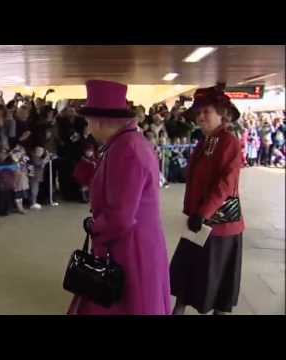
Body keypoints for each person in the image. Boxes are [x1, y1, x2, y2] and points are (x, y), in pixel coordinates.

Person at [67, 80, 171, 315]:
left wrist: (95, 227)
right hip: (135, 242)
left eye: (88, 121)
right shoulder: (125, 143)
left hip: (130, 247)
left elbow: (121, 216)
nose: (87, 127)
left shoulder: (126, 150)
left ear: (100, 121)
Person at [170, 86, 245, 315]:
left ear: (222, 113)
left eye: (206, 112)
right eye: (198, 113)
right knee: (184, 282)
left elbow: (226, 183)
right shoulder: (206, 141)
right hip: (197, 223)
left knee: (217, 289)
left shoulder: (229, 141)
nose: (200, 117)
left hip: (219, 227)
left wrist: (203, 212)